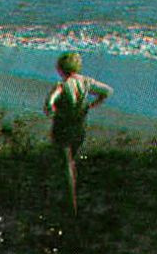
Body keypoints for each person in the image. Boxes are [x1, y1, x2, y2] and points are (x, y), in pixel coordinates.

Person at [45, 52, 113, 214]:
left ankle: (70, 201)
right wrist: (92, 105)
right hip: (79, 126)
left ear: (61, 69)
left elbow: (49, 104)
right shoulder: (86, 82)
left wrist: (53, 112)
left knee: (65, 164)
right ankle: (71, 195)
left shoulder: (61, 85)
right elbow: (107, 91)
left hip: (63, 127)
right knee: (72, 161)